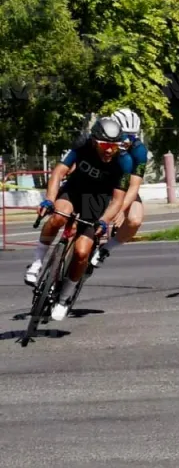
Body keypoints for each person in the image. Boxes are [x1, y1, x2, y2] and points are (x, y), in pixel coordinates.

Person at [23, 118, 133, 321]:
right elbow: (58, 172)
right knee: (57, 218)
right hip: (74, 191)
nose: (109, 150)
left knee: (82, 253)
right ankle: (37, 263)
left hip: (97, 201)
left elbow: (118, 200)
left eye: (114, 146)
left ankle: (64, 297)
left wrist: (104, 220)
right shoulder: (82, 144)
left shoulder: (125, 162)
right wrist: (49, 199)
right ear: (94, 141)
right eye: (105, 145)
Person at [88, 108, 148, 268]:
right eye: (124, 135)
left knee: (135, 220)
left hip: (123, 186)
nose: (128, 140)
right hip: (96, 181)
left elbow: (134, 186)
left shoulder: (139, 151)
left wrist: (120, 209)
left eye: (133, 136)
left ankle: (106, 249)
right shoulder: (98, 141)